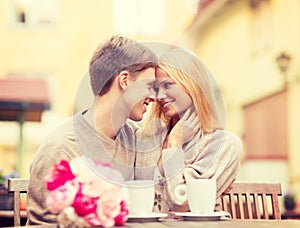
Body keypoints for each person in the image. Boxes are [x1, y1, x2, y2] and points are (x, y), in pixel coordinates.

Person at [26, 35, 158, 225]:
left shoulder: (134, 139)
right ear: (125, 81)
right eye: (149, 86)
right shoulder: (61, 148)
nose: (154, 97)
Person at [135, 46, 242, 213]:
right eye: (156, 88)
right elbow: (135, 193)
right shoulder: (147, 136)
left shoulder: (224, 144)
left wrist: (174, 145)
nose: (159, 96)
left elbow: (182, 203)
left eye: (168, 85)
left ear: (192, 85)